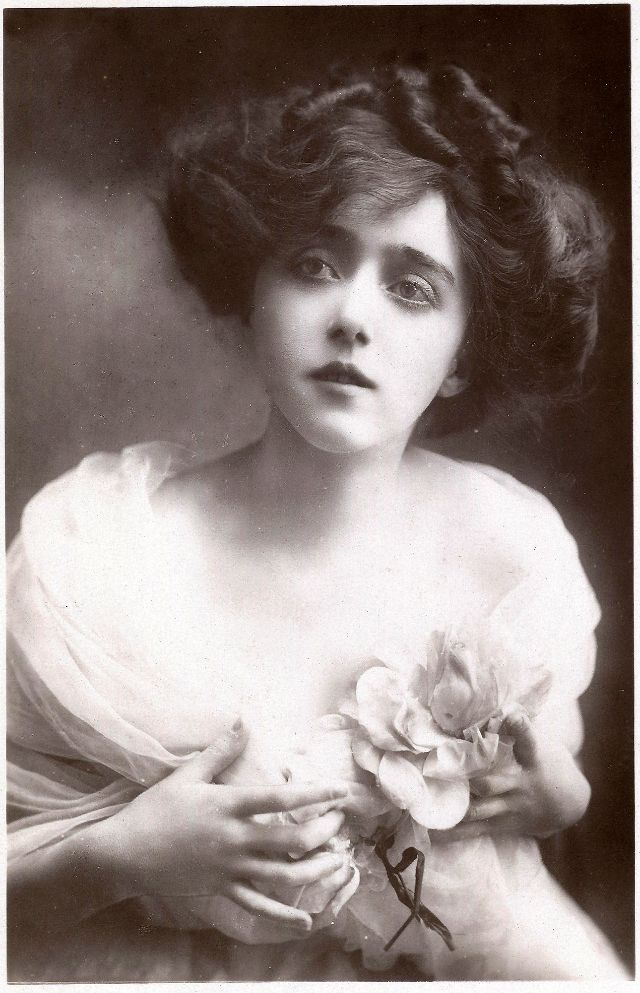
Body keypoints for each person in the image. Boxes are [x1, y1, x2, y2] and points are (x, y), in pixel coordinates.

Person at [7, 61, 629, 981]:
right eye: (315, 265)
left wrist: (555, 793)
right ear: (254, 290)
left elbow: (545, 791)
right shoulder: (98, 553)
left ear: (463, 355)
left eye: (412, 288)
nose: (351, 318)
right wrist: (119, 856)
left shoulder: (508, 551)